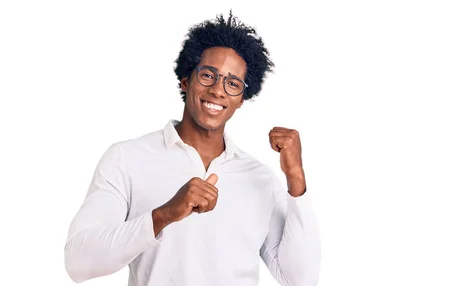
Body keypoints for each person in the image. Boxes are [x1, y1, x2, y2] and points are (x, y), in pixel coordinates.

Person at [64, 11, 321, 286]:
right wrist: (164, 215)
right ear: (185, 81)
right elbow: (78, 264)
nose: (218, 90)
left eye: (232, 83)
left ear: (241, 100)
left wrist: (295, 178)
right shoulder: (127, 158)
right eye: (208, 75)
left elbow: (300, 280)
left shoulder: (260, 179)